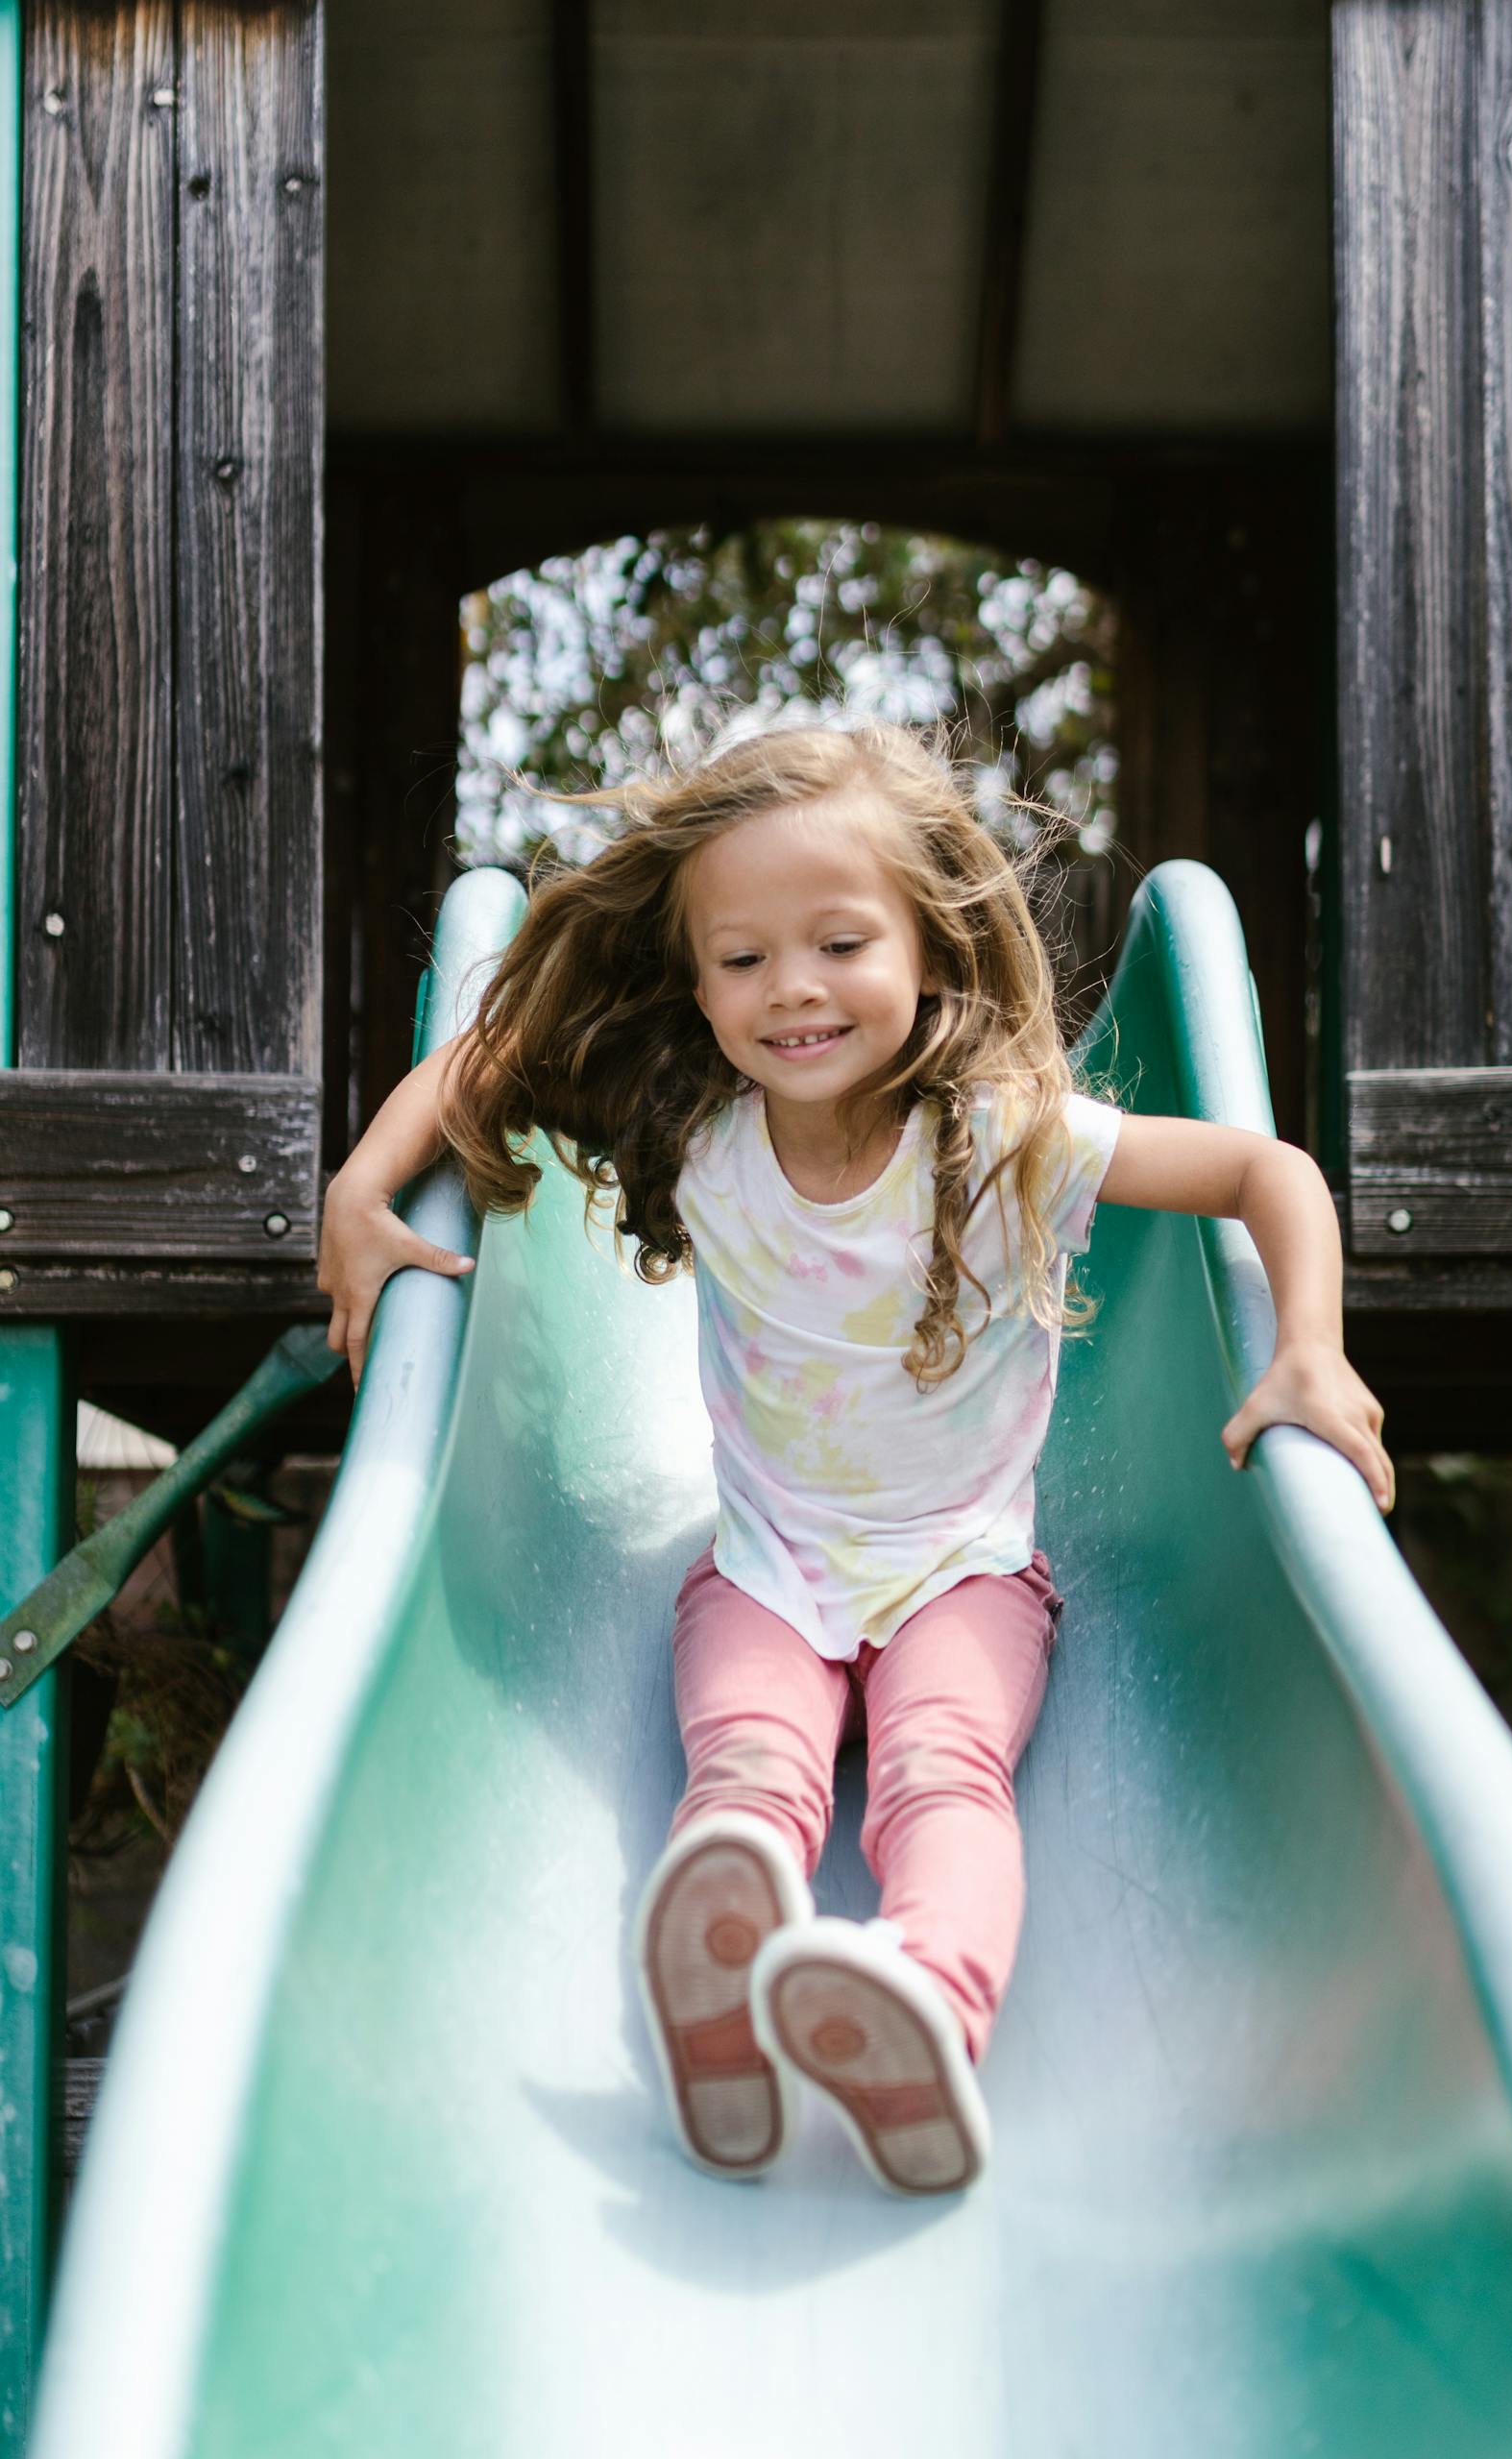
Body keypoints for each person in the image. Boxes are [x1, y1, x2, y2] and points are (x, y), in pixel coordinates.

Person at [316, 715, 1393, 2202]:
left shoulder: (1008, 1140)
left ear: (929, 948)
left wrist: (1310, 1351)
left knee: (946, 1769)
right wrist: (360, 1191)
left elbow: (1265, 1172)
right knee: (743, 1762)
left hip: (964, 1570)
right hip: (765, 1567)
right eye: (744, 959)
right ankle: (728, 1996)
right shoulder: (699, 1130)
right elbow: (489, 1059)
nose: (793, 991)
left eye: (838, 943)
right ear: (694, 984)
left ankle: (922, 2011)